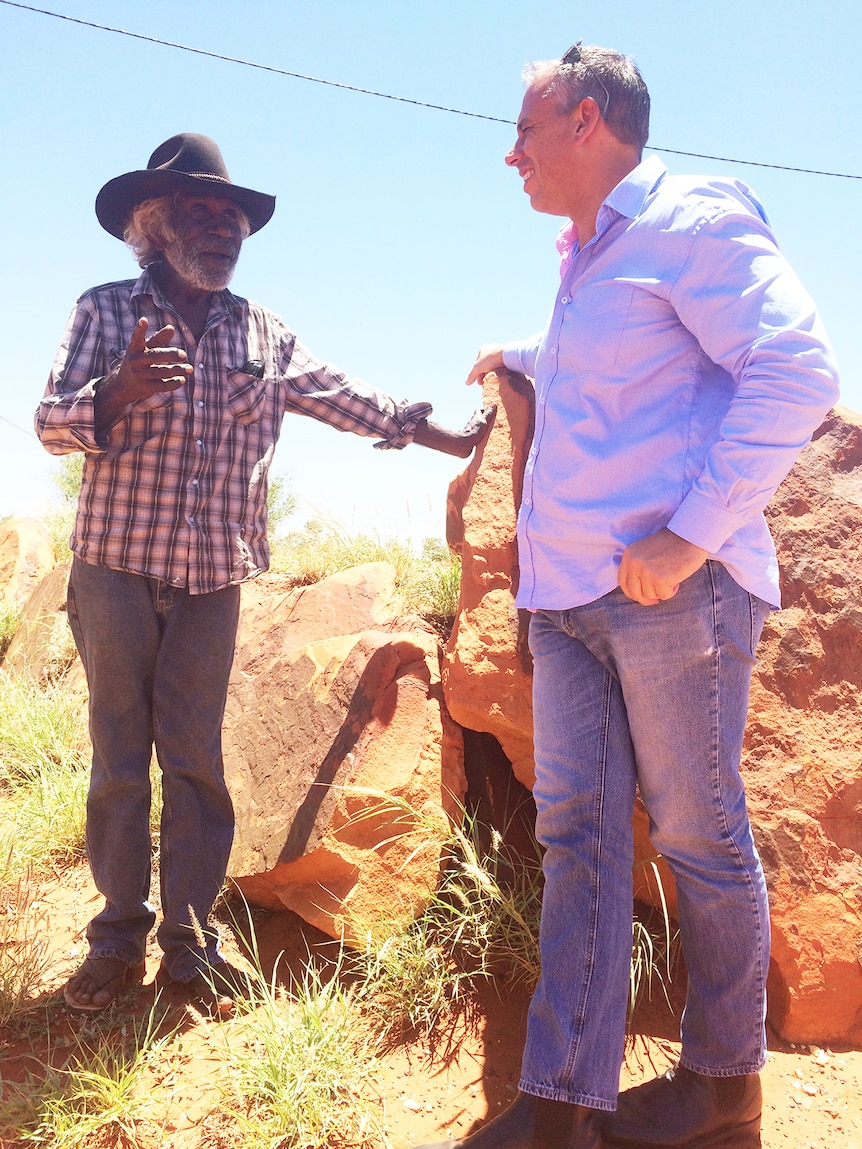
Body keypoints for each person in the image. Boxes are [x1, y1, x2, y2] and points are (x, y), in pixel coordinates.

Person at [413, 42, 839, 1149]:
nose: (510, 152)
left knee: (697, 835)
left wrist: (692, 532)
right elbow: (601, 363)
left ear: (587, 121)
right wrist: (517, 352)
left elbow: (796, 366)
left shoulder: (692, 218)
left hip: (670, 602)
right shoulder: (587, 257)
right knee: (582, 843)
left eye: (525, 129)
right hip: (563, 606)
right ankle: (561, 1100)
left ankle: (723, 1085)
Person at [36, 133, 492, 1016]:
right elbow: (50, 422)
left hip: (212, 581)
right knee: (120, 762)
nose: (221, 228)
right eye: (201, 211)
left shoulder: (262, 333)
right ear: (155, 223)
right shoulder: (102, 310)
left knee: (198, 763)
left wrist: (455, 436)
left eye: (232, 217)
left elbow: (348, 399)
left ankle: (188, 942)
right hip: (114, 574)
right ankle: (116, 936)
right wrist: (117, 393)